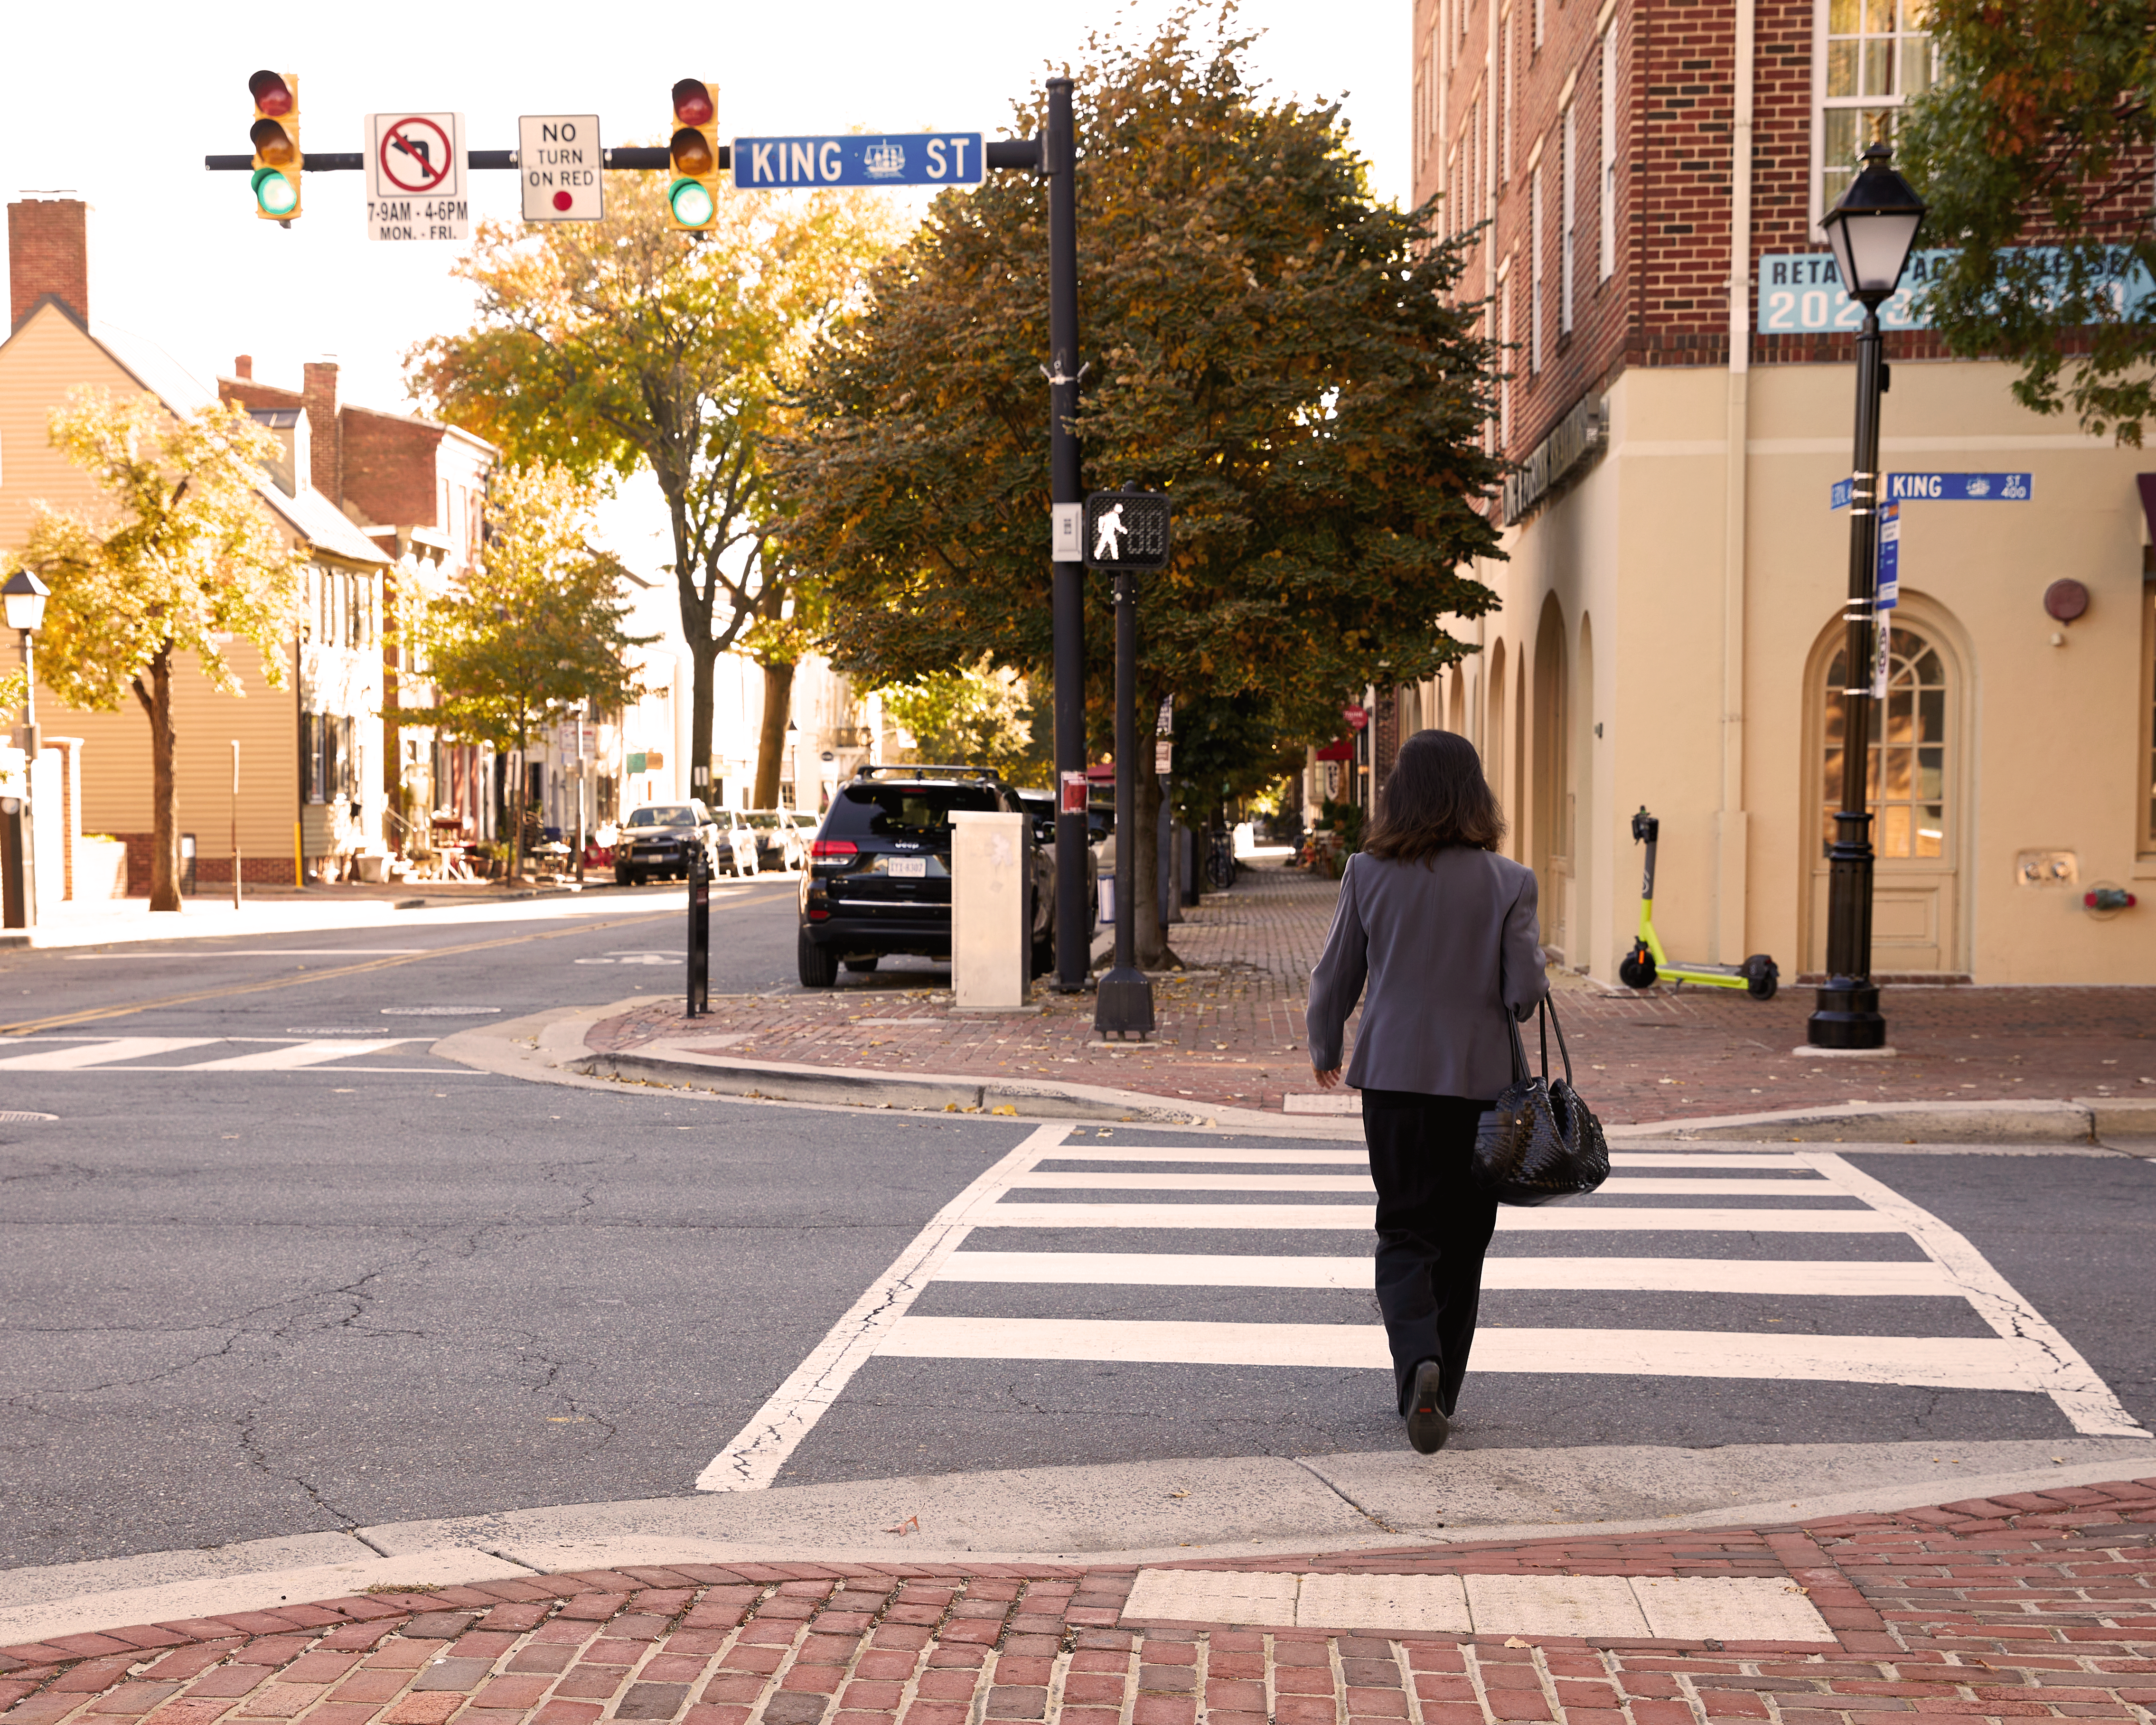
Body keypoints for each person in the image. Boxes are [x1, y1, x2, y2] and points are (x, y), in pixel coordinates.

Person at [1304, 730, 1546, 1454]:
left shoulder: (1367, 871)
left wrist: (1325, 1045)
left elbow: (1333, 975)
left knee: (1404, 1228)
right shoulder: (1510, 880)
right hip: (1481, 1085)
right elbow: (1523, 991)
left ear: (1399, 793)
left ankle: (1418, 1369)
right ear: (1476, 793)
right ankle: (1446, 1381)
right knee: (1465, 1239)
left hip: (1393, 1079)